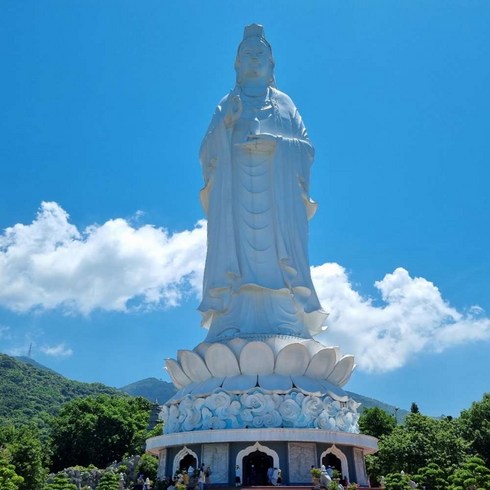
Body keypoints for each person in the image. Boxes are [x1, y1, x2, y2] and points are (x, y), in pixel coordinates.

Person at [199, 24, 326, 342]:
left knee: (277, 262)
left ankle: (285, 320)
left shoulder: (284, 104)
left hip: (277, 197)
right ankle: (232, 319)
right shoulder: (226, 104)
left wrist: (276, 144)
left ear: (271, 64)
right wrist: (225, 127)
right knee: (236, 258)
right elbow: (206, 152)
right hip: (235, 194)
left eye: (260, 54)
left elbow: (306, 149)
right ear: (237, 64)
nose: (253, 58)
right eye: (247, 54)